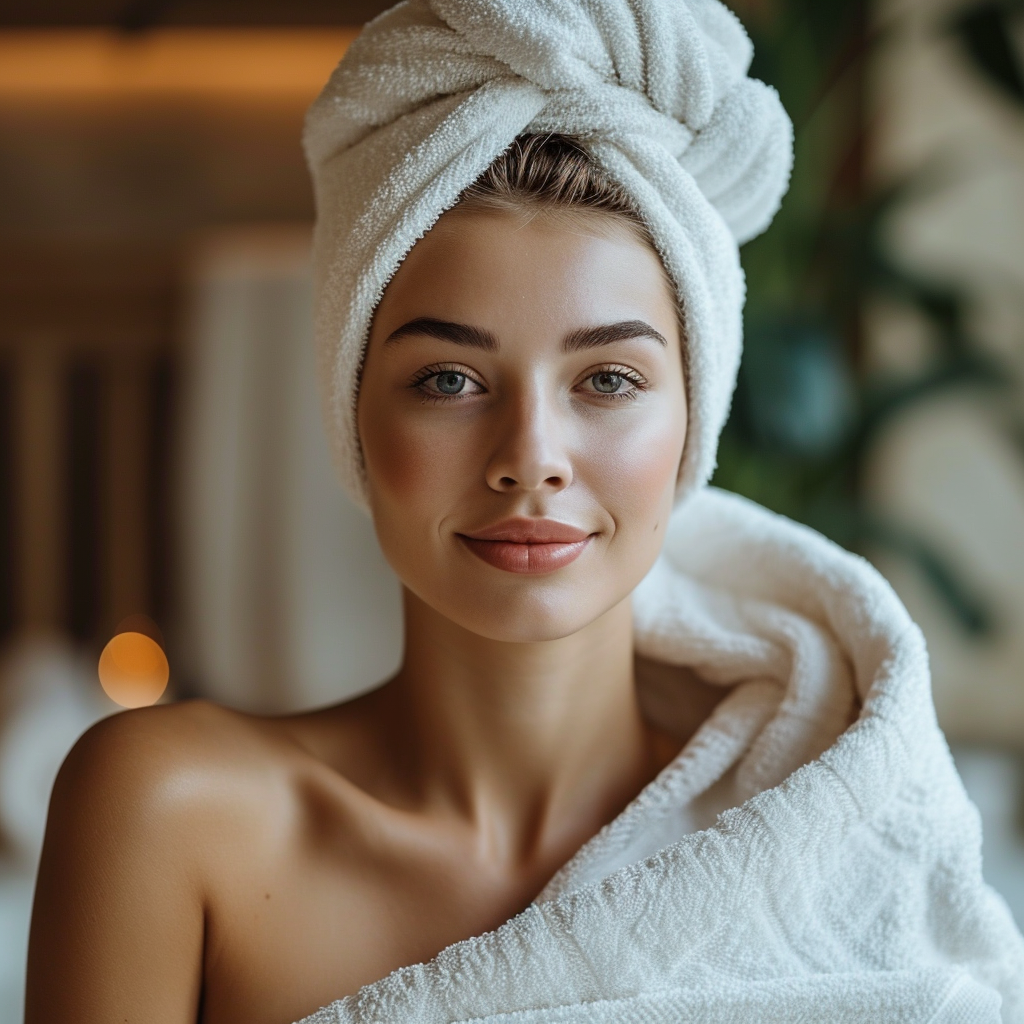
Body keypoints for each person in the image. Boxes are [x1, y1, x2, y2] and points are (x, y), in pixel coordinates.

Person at [25, 2, 1024, 1023]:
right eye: (449, 379)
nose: (529, 461)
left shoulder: (820, 817)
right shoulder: (169, 812)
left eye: (607, 380)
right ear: (352, 415)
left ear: (692, 421)